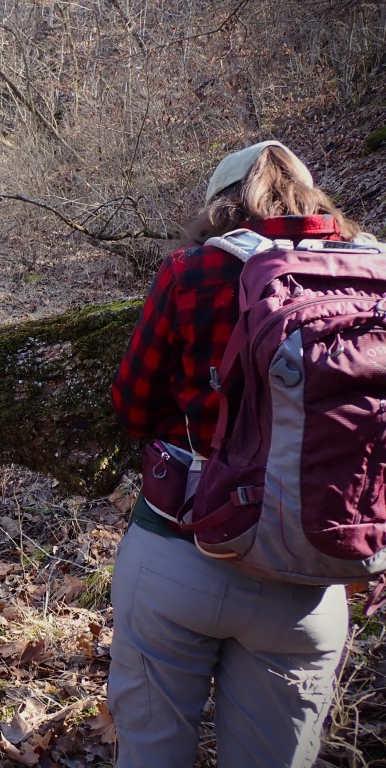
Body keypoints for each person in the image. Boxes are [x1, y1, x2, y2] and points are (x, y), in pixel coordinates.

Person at [108, 140, 378, 767]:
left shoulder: (194, 271)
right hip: (315, 568)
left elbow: (133, 408)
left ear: (219, 208)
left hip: (182, 550)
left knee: (151, 752)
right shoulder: (371, 273)